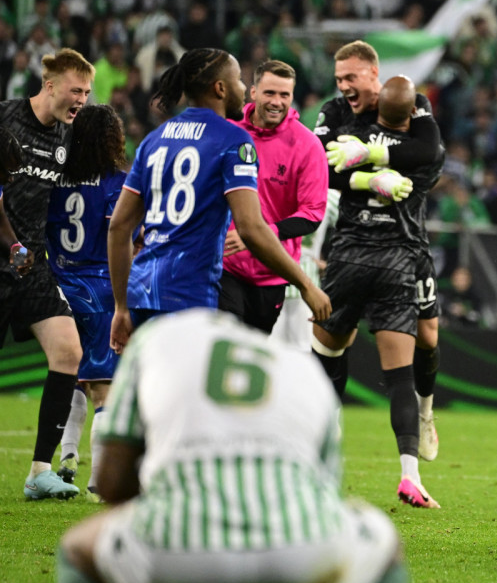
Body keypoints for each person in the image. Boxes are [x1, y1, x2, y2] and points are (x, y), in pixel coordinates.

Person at [57, 308, 406, 583]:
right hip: (302, 554)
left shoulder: (156, 339)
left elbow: (112, 484)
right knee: (385, 546)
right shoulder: (302, 369)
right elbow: (317, 504)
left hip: (176, 560)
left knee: (75, 552)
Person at [108, 48, 330, 355]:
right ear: (221, 88)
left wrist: (121, 305)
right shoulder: (233, 140)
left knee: (157, 395)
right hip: (192, 292)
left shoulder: (154, 139)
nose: (243, 88)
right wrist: (306, 285)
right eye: (239, 80)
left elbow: (119, 227)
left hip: (143, 292)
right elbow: (251, 228)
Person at [315, 74, 445, 509]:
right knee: (400, 376)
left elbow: (324, 170)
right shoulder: (421, 153)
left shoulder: (351, 137)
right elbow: (428, 152)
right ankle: (410, 474)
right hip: (397, 262)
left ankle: (319, 459)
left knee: (326, 357)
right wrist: (374, 177)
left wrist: (362, 169)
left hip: (348, 258)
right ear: (413, 114)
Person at [0, 48, 93, 501]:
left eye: (87, 94)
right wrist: (11, 243)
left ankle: (39, 471)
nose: (81, 100)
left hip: (31, 266)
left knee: (68, 352)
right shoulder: (5, 119)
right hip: (4, 257)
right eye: (76, 90)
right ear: (50, 84)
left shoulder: (65, 137)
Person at [44, 105, 126, 499]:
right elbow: (121, 236)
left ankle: (66, 459)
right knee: (104, 390)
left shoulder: (54, 179)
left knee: (71, 374)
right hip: (100, 291)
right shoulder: (116, 183)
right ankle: (99, 480)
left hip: (57, 288)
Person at [220, 60, 327, 333]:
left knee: (250, 356)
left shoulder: (307, 146)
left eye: (284, 95)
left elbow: (312, 214)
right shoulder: (228, 132)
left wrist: (258, 234)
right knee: (226, 339)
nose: (277, 102)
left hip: (272, 274)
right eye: (270, 93)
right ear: (253, 92)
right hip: (223, 265)